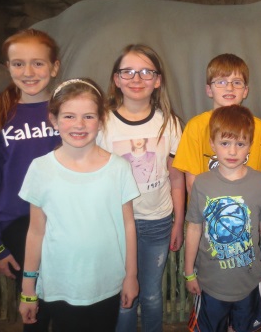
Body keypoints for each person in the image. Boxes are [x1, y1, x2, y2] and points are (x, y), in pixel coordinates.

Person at [18, 78, 140, 332]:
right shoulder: (41, 169)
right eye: (69, 116)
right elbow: (36, 231)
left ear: (101, 120)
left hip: (107, 284)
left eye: (88, 116)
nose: (79, 125)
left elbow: (128, 225)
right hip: (61, 286)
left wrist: (131, 275)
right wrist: (28, 288)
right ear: (54, 120)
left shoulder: (119, 168)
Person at [0, 28, 61, 331]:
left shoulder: (70, 109)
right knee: (35, 306)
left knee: (67, 307)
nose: (28, 72)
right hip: (18, 223)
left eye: (38, 63)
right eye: (18, 63)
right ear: (8, 67)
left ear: (54, 67)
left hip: (66, 220)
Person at [98, 44, 185, 332]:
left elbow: (176, 178)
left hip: (157, 221)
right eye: (128, 71)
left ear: (158, 80)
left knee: (150, 294)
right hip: (115, 224)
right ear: (116, 79)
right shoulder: (101, 124)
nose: (137, 79)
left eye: (147, 72)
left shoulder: (169, 124)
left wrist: (178, 221)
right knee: (124, 297)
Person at [184, 105, 261, 332]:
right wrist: (188, 272)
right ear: (212, 144)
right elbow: (194, 228)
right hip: (210, 282)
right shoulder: (202, 183)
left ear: (250, 145)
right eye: (225, 143)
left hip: (248, 281)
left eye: (240, 144)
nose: (233, 151)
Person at [173, 53, 261, 195]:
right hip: (207, 205)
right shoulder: (195, 127)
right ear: (209, 90)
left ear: (245, 91)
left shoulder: (259, 128)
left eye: (237, 82)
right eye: (221, 82)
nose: (229, 88)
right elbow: (191, 184)